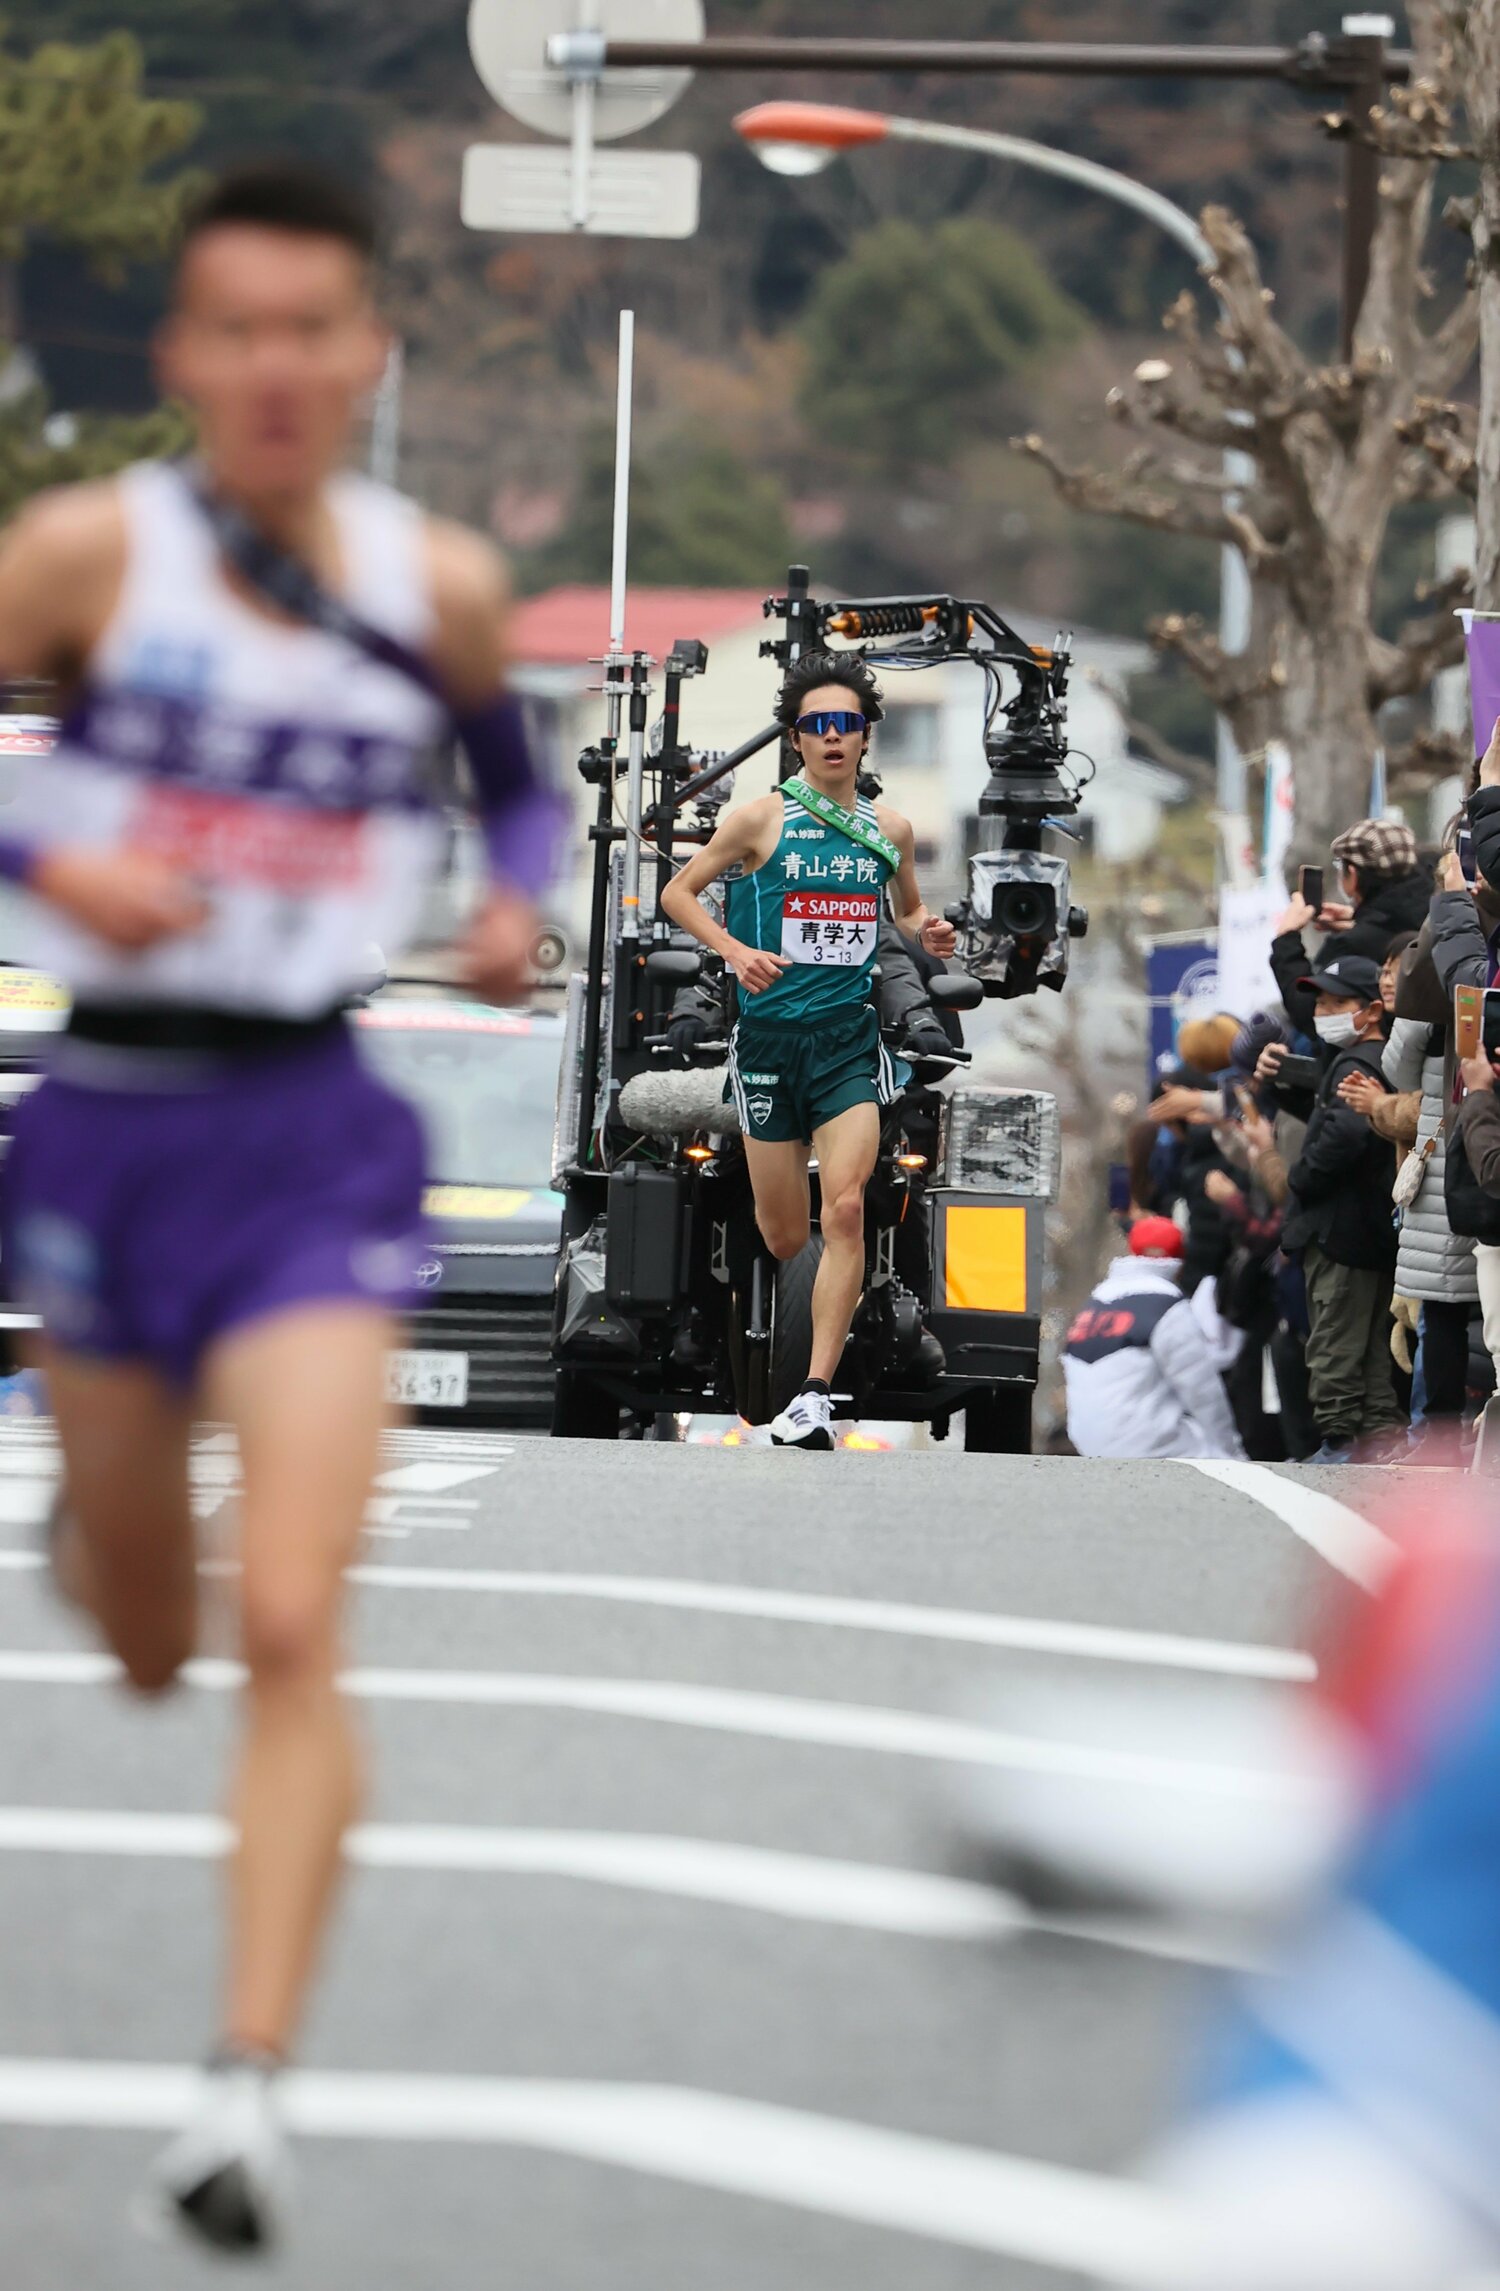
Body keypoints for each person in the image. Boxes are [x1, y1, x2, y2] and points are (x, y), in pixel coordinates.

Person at [0, 164, 557, 2249]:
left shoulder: (440, 583)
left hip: (319, 1119)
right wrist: (59, 861)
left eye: (312, 328)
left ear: (368, 351)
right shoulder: (82, 554)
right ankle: (108, 1514)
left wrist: (512, 894)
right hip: (111, 1118)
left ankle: (244, 2080)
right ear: (180, 355)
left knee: (301, 1613)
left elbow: (509, 776)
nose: (274, 366)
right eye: (234, 329)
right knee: (153, 1636)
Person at [658, 649, 956, 1448]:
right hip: (766, 1047)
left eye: (846, 725)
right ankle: (798, 1300)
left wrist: (929, 931)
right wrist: (733, 950)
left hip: (846, 1046)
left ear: (866, 739)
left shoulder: (889, 829)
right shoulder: (760, 818)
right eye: (816, 725)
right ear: (796, 739)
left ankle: (814, 1396)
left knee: (848, 1207)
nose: (832, 738)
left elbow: (907, 914)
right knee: (786, 1233)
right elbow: (677, 892)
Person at [1277, 952, 1404, 1463]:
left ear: (1370, 1010)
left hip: (1340, 1230)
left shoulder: (1357, 1064)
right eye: (1320, 1000)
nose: (1323, 1010)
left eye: (1337, 1001)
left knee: (1334, 1341)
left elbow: (1346, 1135)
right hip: (1369, 1231)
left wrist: (1300, 1178)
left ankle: (1341, 1443)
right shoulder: (1385, 1061)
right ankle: (1381, 1442)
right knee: (1371, 1347)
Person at [1062, 1216, 1246, 1461]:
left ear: (1132, 1251)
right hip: (1146, 1444)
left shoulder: (1096, 1300)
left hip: (1086, 1442)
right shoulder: (1166, 1304)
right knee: (1220, 1463)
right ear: (1180, 1263)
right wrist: (1233, 1452)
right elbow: (1202, 1391)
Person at [1270, 821, 1429, 1040]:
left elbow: (1310, 1013)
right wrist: (1360, 921)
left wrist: (1286, 940)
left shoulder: (1351, 945)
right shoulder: (1432, 919)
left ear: (1352, 875)